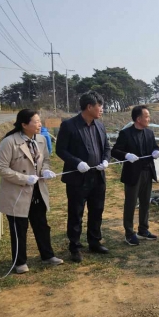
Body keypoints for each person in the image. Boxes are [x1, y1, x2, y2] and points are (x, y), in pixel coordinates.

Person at [0, 109, 63, 273]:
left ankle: (47, 255)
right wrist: (24, 178)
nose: (40, 124)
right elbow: (0, 168)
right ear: (24, 124)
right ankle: (19, 262)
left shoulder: (41, 139)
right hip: (17, 192)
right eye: (36, 121)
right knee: (19, 228)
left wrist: (45, 170)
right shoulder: (9, 142)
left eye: (40, 121)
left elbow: (45, 160)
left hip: (37, 190)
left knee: (41, 225)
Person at [56, 91, 111, 262]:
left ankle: (94, 241)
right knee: (76, 213)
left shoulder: (99, 125)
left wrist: (106, 160)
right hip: (77, 178)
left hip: (98, 176)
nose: (102, 109)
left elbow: (107, 147)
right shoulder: (69, 125)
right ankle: (75, 247)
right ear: (89, 107)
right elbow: (61, 150)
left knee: (97, 210)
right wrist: (77, 162)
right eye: (99, 106)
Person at [111, 105, 159, 246]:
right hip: (133, 174)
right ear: (138, 119)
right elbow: (115, 151)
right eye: (146, 116)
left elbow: (155, 146)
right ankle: (129, 233)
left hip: (148, 172)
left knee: (145, 202)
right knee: (131, 203)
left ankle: (143, 230)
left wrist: (156, 151)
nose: (149, 119)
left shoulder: (149, 133)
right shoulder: (126, 133)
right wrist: (126, 155)